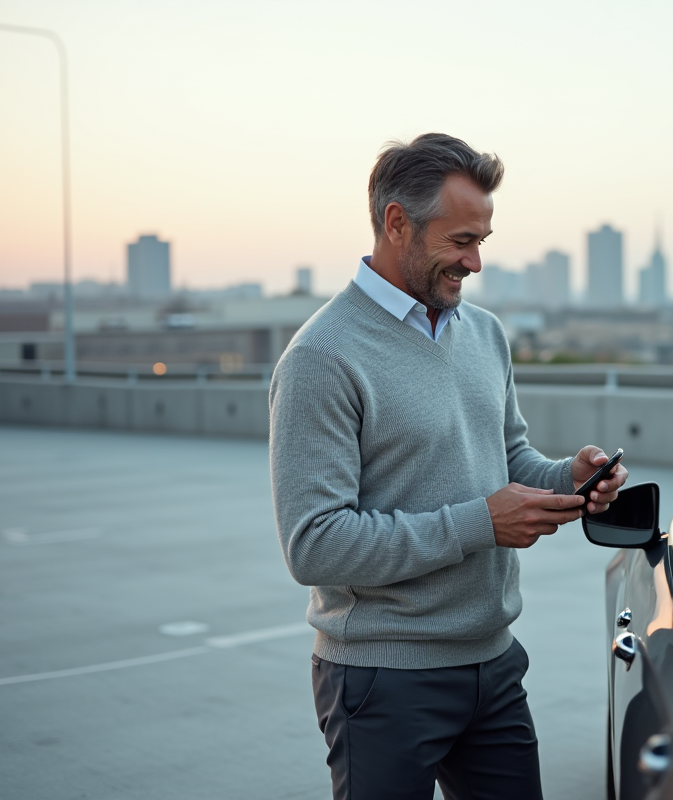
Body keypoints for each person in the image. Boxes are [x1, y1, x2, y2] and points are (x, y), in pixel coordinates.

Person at [268, 132, 628, 800]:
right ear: (396, 223)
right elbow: (313, 545)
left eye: (482, 241)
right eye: (461, 241)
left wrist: (569, 478)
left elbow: (507, 458)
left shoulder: (484, 333)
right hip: (383, 680)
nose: (475, 262)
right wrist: (481, 524)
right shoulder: (322, 358)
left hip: (494, 663)